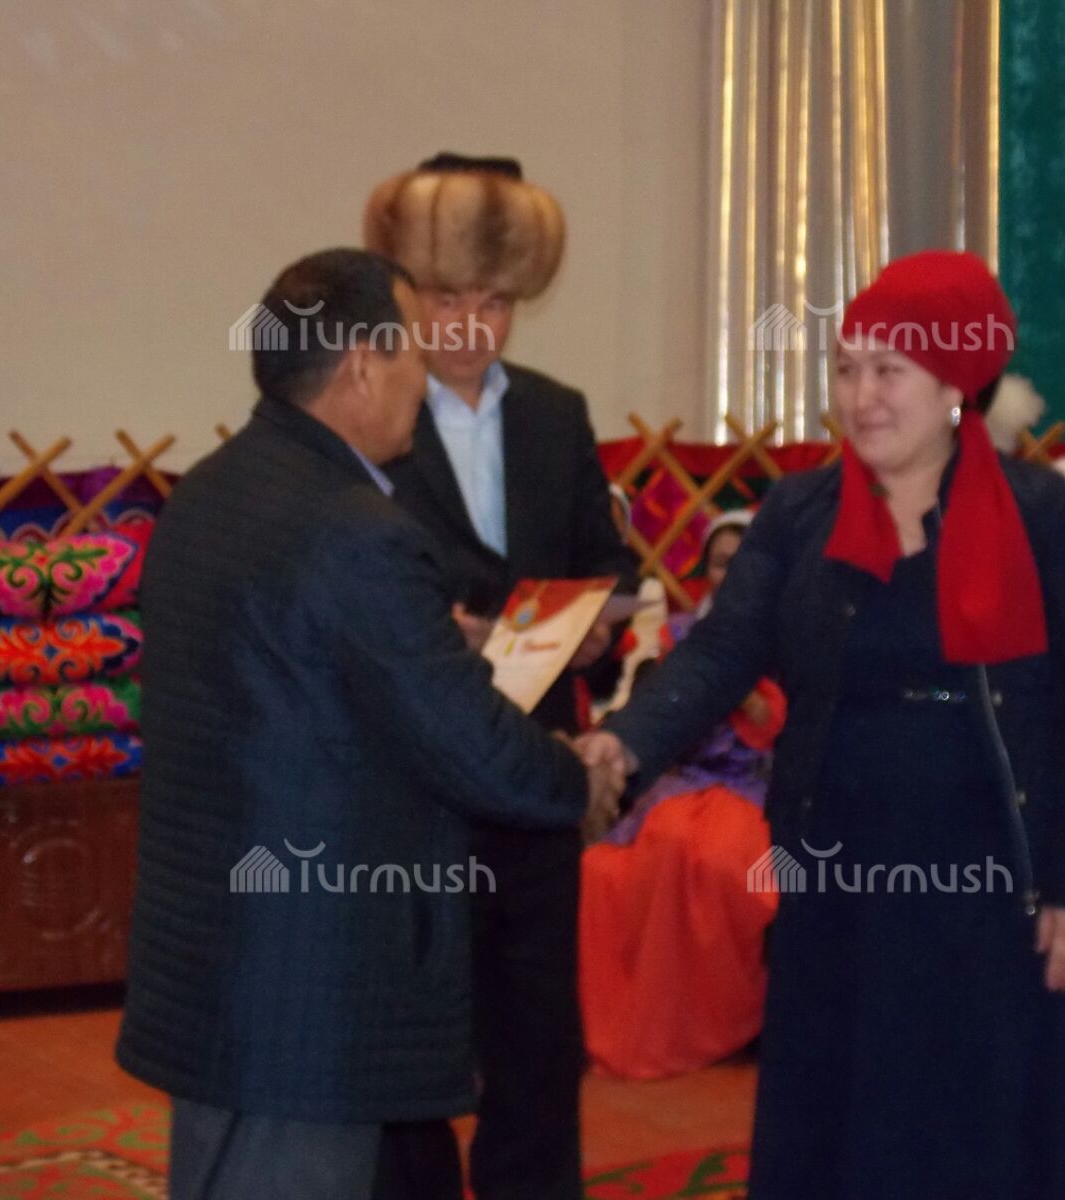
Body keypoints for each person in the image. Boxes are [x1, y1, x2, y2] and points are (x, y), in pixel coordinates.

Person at [581, 250, 1065, 1199]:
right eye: (845, 369)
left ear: (955, 384)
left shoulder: (1044, 517)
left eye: (888, 371)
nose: (859, 395)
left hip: (993, 886)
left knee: (974, 1136)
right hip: (837, 876)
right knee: (842, 1129)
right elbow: (721, 651)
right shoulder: (798, 512)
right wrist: (622, 740)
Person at [114, 249, 621, 1200]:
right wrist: (575, 780)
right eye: (414, 355)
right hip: (307, 978)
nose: (422, 384)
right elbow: (464, 740)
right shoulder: (355, 530)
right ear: (360, 366)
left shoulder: (210, 491)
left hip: (222, 952)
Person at [366, 154, 637, 1200]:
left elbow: (606, 563)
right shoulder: (373, 416)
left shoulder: (555, 414)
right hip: (422, 775)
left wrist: (596, 625)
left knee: (538, 1031)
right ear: (409, 298)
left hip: (534, 764)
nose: (470, 326)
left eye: (493, 303)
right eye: (447, 301)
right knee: (415, 1028)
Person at [579, 509, 784, 1080]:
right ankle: (618, 1021)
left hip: (751, 781)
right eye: (719, 564)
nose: (730, 575)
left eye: (741, 564)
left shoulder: (788, 631)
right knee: (604, 869)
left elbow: (772, 725)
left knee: (713, 861)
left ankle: (706, 1023)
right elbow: (666, 716)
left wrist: (737, 690)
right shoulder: (682, 635)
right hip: (681, 779)